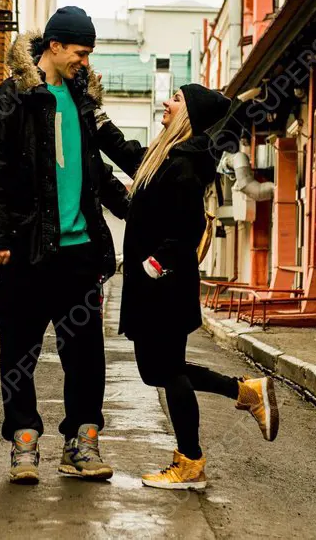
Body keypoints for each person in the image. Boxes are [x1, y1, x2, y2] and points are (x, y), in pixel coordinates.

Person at [0, 6, 130, 485]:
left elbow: (97, 172)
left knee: (86, 355)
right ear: (54, 47)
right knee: (20, 353)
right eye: (80, 52)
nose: (85, 61)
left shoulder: (82, 102)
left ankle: (82, 442)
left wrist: (138, 207)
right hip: (26, 252)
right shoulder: (14, 96)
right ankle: (23, 441)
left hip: (79, 254)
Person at [91, 83, 280, 491]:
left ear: (190, 114)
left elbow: (188, 226)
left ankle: (190, 461)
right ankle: (244, 391)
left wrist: (153, 265)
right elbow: (129, 154)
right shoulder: (166, 158)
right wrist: (97, 118)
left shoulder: (187, 163)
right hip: (155, 285)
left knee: (167, 370)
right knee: (155, 370)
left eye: (175, 98)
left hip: (163, 285)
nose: (166, 101)